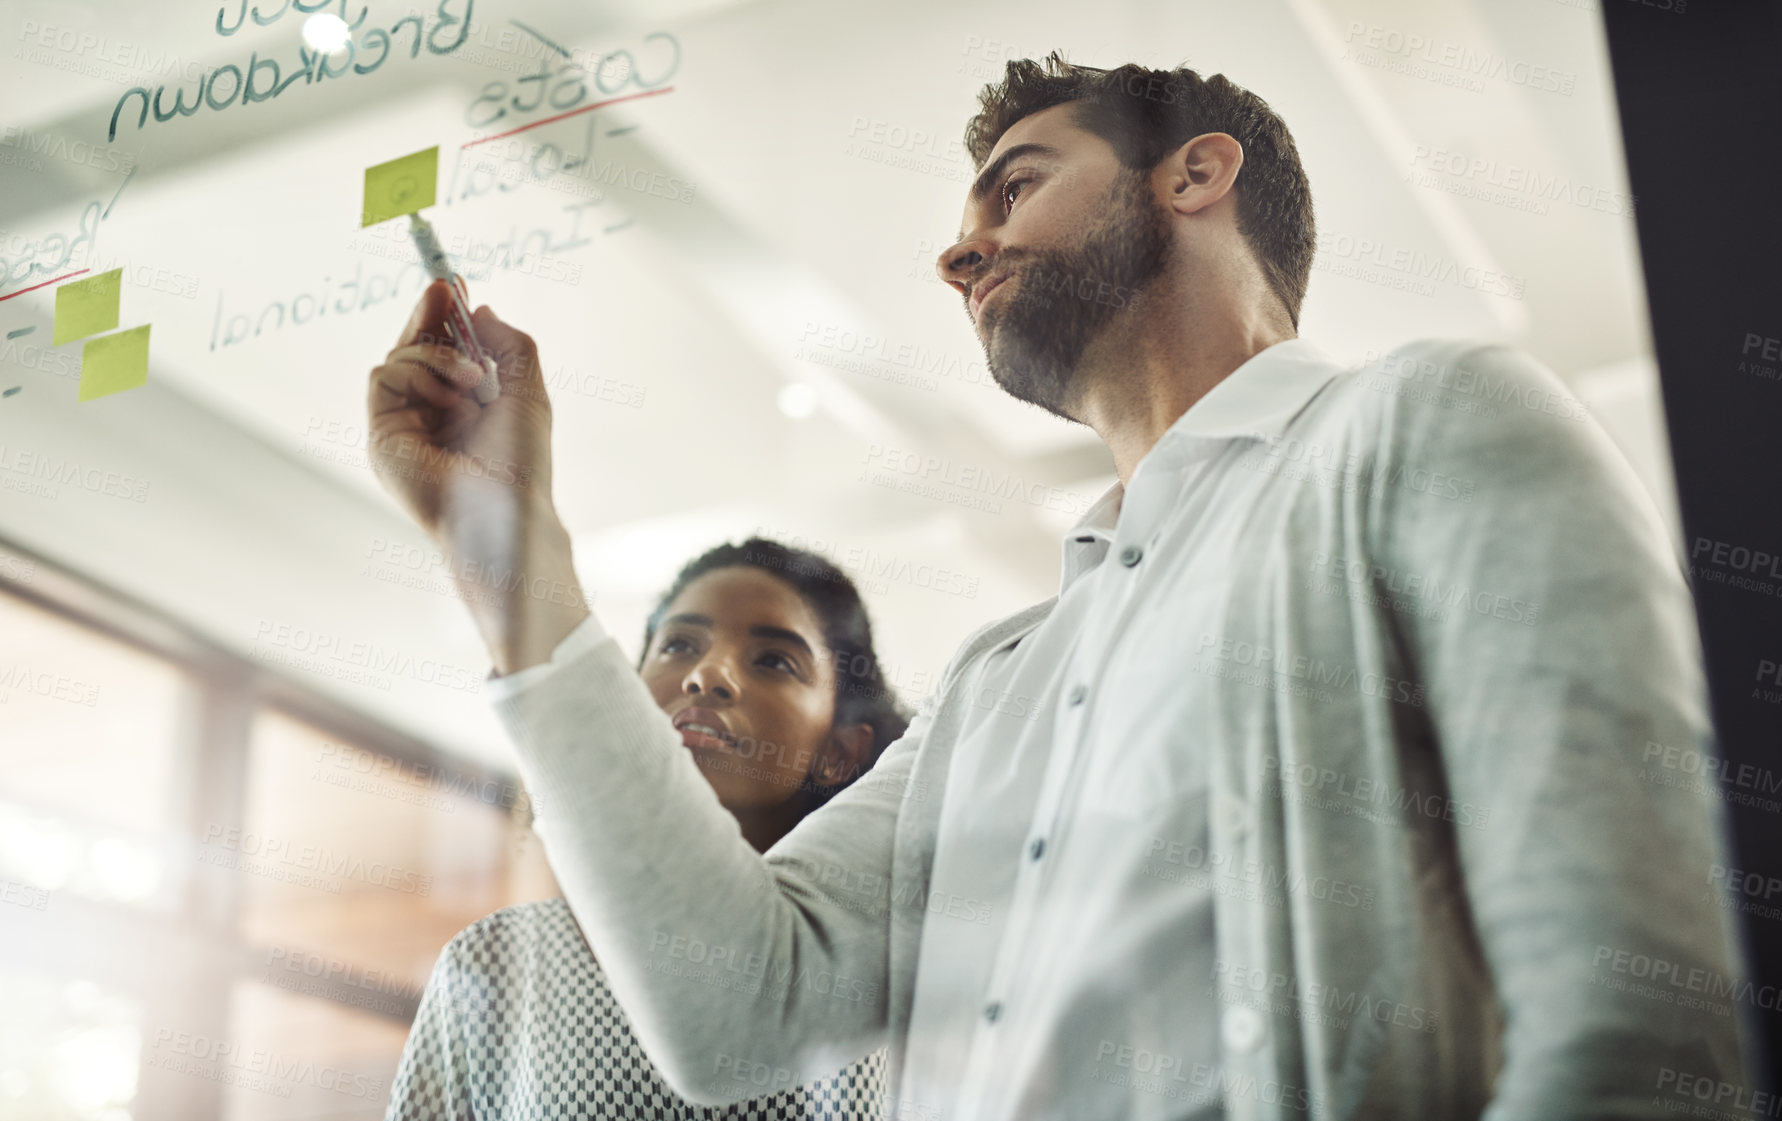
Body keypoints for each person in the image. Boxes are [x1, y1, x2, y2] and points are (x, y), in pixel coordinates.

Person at [365, 52, 1750, 1121]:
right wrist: (508, 549)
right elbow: (734, 1006)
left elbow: (1640, 1007)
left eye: (1012, 185)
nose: (957, 252)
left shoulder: (1431, 421)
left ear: (1192, 175)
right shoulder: (995, 686)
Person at [382, 538, 907, 1119]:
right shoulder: (497, 963)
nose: (707, 676)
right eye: (679, 645)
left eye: (774, 661)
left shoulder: (884, 974)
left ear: (840, 751)